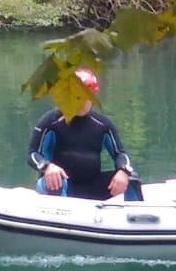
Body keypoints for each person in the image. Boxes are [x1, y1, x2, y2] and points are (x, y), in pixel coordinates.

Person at [27, 67, 139, 201]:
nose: (79, 101)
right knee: (55, 182)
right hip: (60, 184)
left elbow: (120, 154)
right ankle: (60, 219)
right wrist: (46, 167)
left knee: (131, 178)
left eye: (84, 96)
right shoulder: (50, 122)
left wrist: (123, 171)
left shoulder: (103, 124)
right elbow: (33, 154)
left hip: (92, 185)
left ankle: (134, 218)